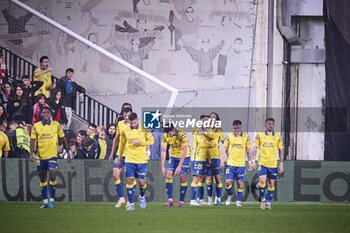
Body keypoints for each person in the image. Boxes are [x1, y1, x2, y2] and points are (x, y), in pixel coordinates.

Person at [30, 107, 71, 208]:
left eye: (48, 113)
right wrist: (31, 153)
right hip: (41, 156)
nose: (46, 114)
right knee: (43, 179)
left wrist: (67, 152)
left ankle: (52, 200)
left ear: (50, 115)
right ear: (41, 114)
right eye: (44, 113)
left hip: (52, 155)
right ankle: (45, 202)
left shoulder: (56, 125)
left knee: (53, 173)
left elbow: (62, 138)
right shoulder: (36, 126)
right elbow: (33, 141)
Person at [117, 112, 154, 211]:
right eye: (131, 123)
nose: (133, 125)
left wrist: (141, 143)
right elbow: (122, 145)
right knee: (129, 180)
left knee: (142, 182)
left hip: (141, 160)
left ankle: (142, 197)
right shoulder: (125, 130)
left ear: (137, 120)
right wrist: (119, 158)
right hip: (129, 159)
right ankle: (131, 204)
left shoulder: (144, 128)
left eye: (134, 123)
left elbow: (151, 141)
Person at [253, 118, 284, 210]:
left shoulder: (278, 136)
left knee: (271, 184)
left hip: (273, 164)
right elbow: (254, 148)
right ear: (265, 125)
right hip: (262, 162)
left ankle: (269, 202)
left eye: (272, 124)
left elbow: (281, 150)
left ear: (274, 125)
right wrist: (253, 161)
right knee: (262, 181)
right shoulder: (260, 135)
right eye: (269, 124)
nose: (270, 125)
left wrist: (281, 163)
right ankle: (263, 199)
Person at [223, 120, 252, 206]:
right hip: (231, 163)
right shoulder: (229, 136)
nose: (236, 129)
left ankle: (238, 201)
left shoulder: (246, 137)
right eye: (235, 128)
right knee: (228, 182)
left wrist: (250, 162)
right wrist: (223, 159)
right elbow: (224, 148)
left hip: (241, 165)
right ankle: (230, 195)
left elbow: (248, 150)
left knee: (240, 183)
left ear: (241, 126)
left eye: (238, 127)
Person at [161, 125, 191, 207]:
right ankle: (170, 200)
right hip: (173, 156)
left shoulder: (182, 134)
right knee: (168, 175)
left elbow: (183, 150)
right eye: (167, 134)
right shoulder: (165, 135)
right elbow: (164, 151)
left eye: (170, 133)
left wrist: (179, 166)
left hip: (185, 156)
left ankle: (181, 201)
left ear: (173, 129)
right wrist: (163, 166)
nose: (169, 135)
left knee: (183, 177)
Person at [108, 107, 132, 208]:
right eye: (124, 115)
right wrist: (112, 153)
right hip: (120, 154)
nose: (126, 116)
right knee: (115, 174)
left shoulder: (136, 125)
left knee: (130, 179)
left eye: (127, 115)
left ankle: (130, 201)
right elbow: (116, 139)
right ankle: (121, 198)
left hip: (131, 154)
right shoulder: (120, 124)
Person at [190, 115, 214, 206]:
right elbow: (202, 144)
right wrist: (211, 144)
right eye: (205, 121)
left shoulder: (205, 132)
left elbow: (210, 140)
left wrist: (208, 158)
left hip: (203, 158)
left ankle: (200, 199)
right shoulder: (198, 131)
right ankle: (192, 200)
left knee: (201, 178)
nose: (207, 122)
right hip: (197, 158)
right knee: (196, 178)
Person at [204, 112, 225, 205]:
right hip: (206, 157)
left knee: (218, 179)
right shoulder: (204, 128)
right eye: (211, 117)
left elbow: (225, 143)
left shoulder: (218, 130)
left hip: (216, 157)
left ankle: (218, 199)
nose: (212, 118)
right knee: (208, 179)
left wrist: (223, 158)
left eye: (214, 117)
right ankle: (209, 200)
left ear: (217, 119)